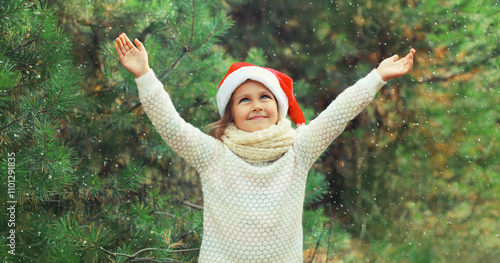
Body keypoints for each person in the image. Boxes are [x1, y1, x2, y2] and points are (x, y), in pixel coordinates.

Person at [115, 32, 415, 262]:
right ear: (231, 112)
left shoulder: (299, 150)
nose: (256, 105)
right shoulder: (212, 155)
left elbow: (339, 113)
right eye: (244, 100)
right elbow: (171, 125)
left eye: (265, 97)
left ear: (279, 106)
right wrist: (144, 76)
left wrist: (377, 77)